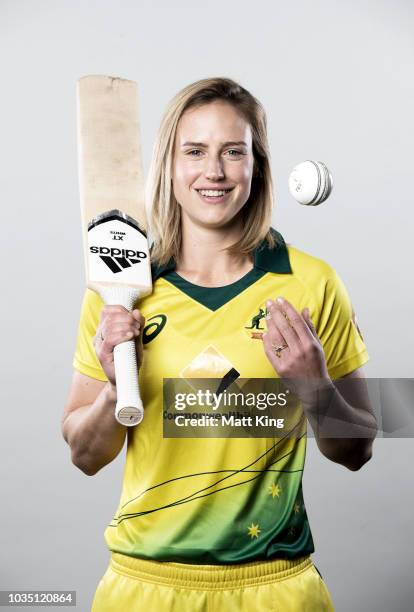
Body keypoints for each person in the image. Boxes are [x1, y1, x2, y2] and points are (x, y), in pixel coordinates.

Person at [62, 77, 377, 611]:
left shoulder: (313, 282)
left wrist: (314, 387)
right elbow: (84, 455)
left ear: (258, 165)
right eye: (195, 151)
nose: (214, 171)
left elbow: (359, 450)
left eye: (234, 151)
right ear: (169, 165)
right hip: (144, 587)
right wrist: (115, 391)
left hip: (274, 587)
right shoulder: (121, 291)